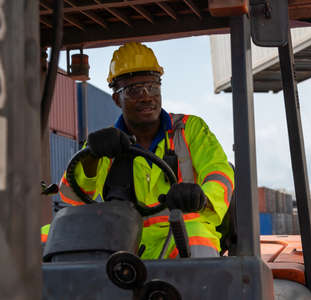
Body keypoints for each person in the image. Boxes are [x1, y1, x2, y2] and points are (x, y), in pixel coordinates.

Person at [41, 42, 234, 259]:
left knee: (198, 238)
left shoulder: (190, 130)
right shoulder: (103, 145)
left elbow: (219, 173)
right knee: (43, 239)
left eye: (152, 87)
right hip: (120, 237)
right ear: (116, 99)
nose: (146, 96)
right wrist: (92, 158)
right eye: (134, 90)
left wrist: (201, 196)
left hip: (178, 233)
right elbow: (72, 199)